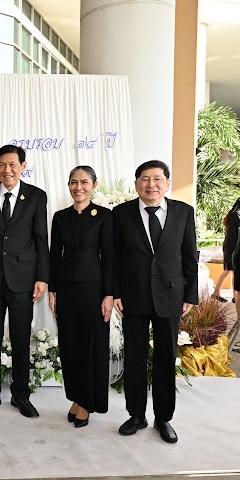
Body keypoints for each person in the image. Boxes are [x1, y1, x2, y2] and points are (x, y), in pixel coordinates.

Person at [113, 160, 198, 444]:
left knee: (165, 358)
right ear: (137, 184)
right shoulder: (121, 213)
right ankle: (136, 415)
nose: (151, 184)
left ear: (167, 183)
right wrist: (115, 292)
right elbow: (113, 257)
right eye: (145, 179)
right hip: (133, 296)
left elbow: (190, 255)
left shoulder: (183, 212)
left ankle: (163, 418)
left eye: (157, 179)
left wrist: (190, 294)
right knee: (134, 358)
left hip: (171, 295)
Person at [0, 144, 49, 419]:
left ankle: (21, 395)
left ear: (23, 166)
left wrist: (42, 277)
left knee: (20, 339)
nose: (7, 170)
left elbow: (41, 238)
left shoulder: (36, 196)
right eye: (2, 165)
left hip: (23, 280)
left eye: (12, 164)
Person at [48, 166, 114, 428]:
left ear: (94, 185)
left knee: (91, 347)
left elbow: (109, 258)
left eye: (84, 182)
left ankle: (87, 402)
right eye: (74, 182)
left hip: (93, 291)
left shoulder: (104, 217)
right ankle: (76, 397)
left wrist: (109, 294)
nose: (79, 187)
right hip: (66, 291)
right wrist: (52, 290)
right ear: (68, 185)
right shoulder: (60, 217)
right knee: (70, 346)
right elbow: (54, 256)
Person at [213, 198, 240, 302]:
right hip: (232, 247)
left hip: (229, 246)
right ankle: (235, 296)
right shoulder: (236, 216)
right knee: (232, 271)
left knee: (228, 271)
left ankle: (217, 293)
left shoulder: (232, 214)